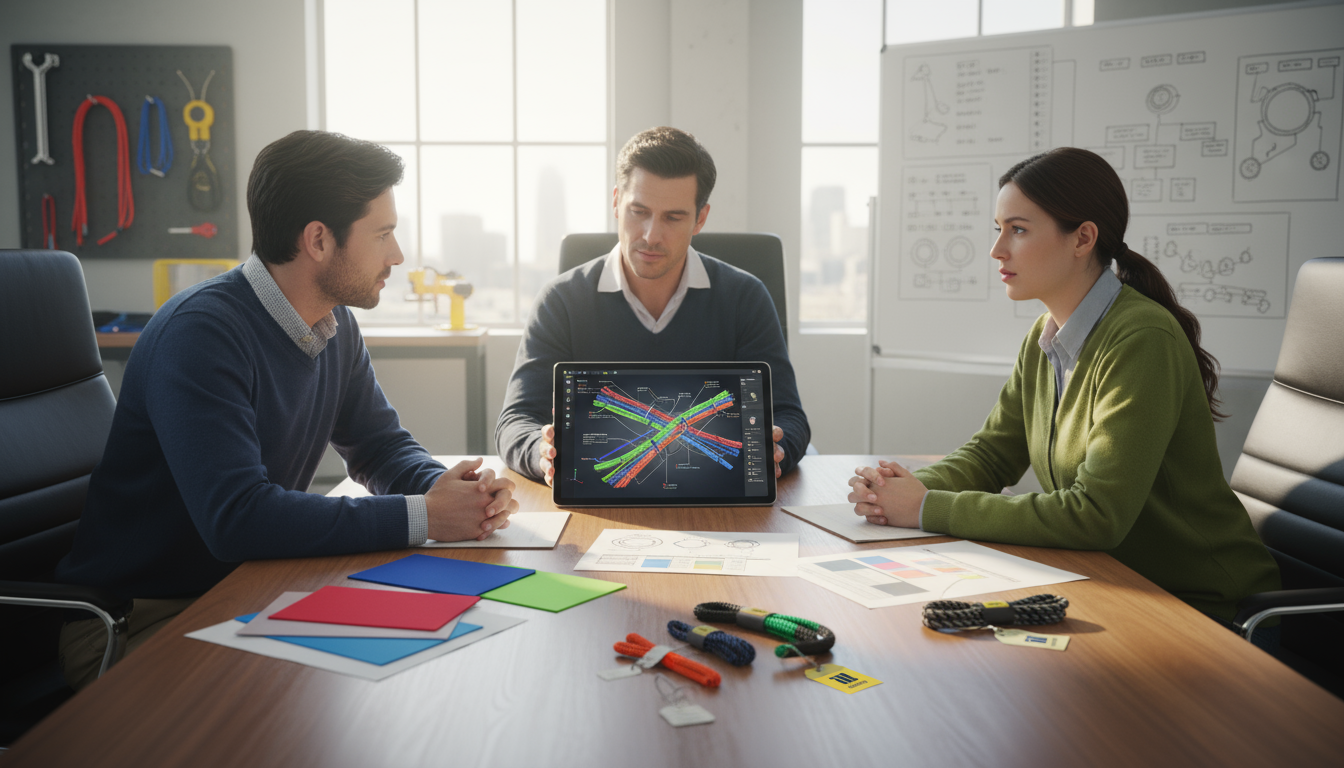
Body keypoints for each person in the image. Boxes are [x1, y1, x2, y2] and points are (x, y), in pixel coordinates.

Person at [55, 130, 517, 689]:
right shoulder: (201, 336)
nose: (397, 255)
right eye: (384, 234)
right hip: (136, 621)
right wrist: (425, 515)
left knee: (444, 658)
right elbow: (238, 519)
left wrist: (457, 495)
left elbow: (378, 445)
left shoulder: (334, 323)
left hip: (244, 589)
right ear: (319, 239)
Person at [847, 147, 1279, 626]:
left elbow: (1095, 514)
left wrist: (928, 507)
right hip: (1114, 582)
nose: (997, 250)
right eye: (999, 229)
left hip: (1202, 605)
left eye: (1019, 229)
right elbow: (993, 455)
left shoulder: (1141, 340)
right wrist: (900, 491)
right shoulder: (1045, 334)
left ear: (1083, 238)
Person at [496, 126, 811, 485]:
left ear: (700, 218)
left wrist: (776, 450)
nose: (650, 235)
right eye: (638, 211)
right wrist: (542, 453)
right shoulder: (561, 301)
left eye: (673, 217)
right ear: (616, 202)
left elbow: (788, 416)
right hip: (597, 504)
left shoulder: (745, 298)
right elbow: (516, 420)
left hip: (714, 503)